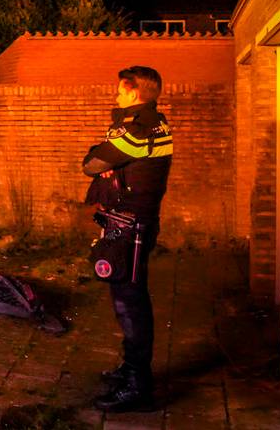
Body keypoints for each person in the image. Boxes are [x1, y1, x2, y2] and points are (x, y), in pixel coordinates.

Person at [81, 66, 173, 413]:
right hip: (132, 223)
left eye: (120, 91)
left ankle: (138, 385)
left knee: (129, 302)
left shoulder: (138, 129)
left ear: (134, 93)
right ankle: (131, 369)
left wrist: (103, 159)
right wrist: (108, 157)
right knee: (127, 296)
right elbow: (106, 155)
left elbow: (91, 163)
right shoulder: (151, 124)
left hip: (130, 226)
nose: (116, 96)